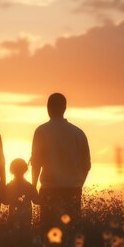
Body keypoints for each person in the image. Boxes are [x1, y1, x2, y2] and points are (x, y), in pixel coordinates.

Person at [30, 93, 91, 227]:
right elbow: (86, 165)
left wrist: (33, 188)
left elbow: (36, 163)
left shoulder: (41, 131)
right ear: (65, 108)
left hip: (49, 190)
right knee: (72, 232)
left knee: (49, 233)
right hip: (73, 191)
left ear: (48, 108)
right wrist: (78, 184)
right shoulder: (78, 133)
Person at [4, 158, 38, 233]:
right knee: (25, 236)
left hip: (13, 218)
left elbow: (5, 202)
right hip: (26, 218)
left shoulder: (9, 186)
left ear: (11, 170)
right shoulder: (29, 186)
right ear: (25, 170)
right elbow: (36, 201)